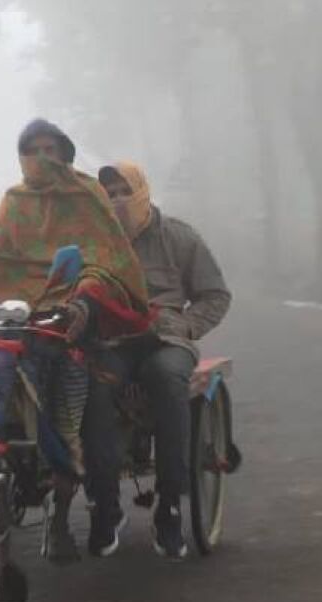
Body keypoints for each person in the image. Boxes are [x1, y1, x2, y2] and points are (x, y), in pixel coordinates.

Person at [0, 120, 153, 566]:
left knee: (65, 424)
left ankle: (61, 519)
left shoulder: (87, 197)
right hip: (19, 324)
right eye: (32, 149)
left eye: (50, 148)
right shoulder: (15, 203)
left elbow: (104, 262)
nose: (41, 157)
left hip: (74, 327)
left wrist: (83, 305)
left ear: (66, 153)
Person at [94, 161, 232, 560]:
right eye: (110, 193)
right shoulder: (96, 244)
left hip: (167, 341)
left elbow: (215, 295)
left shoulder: (178, 237)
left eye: (125, 191)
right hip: (114, 342)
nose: (119, 200)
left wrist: (186, 326)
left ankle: (170, 505)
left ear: (142, 191)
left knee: (168, 380)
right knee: (95, 384)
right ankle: (105, 502)